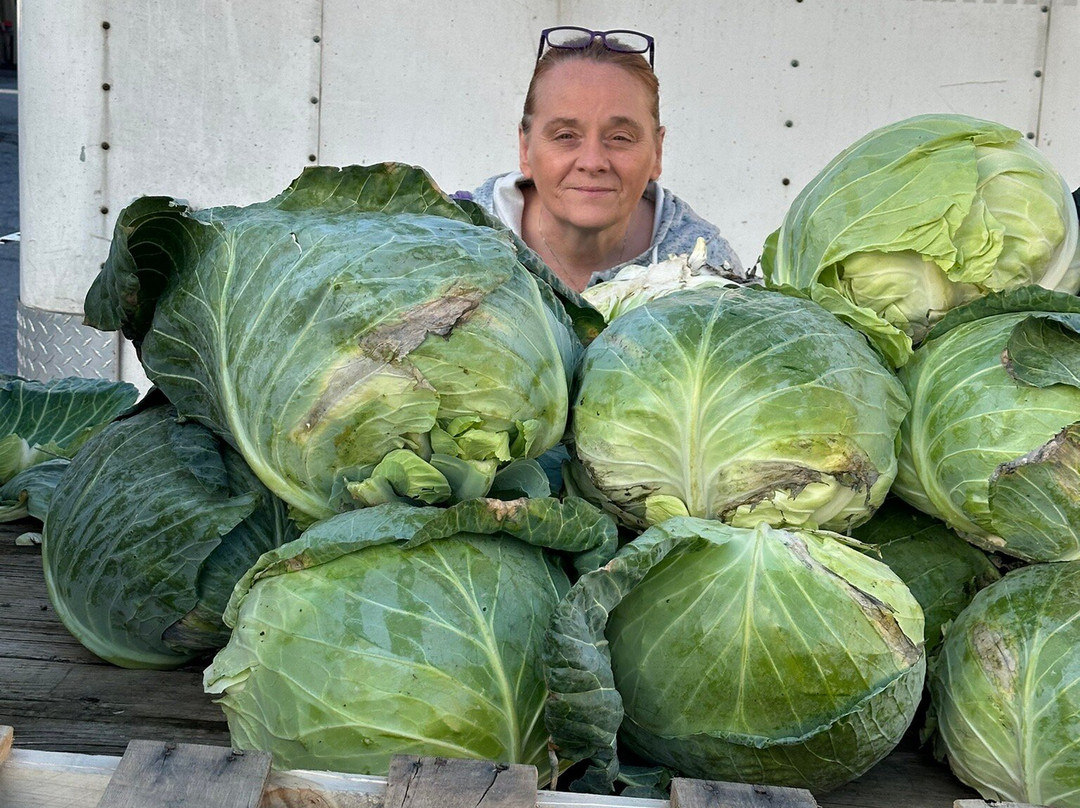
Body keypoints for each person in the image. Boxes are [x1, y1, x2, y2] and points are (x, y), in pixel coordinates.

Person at [468, 26, 744, 292]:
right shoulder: (461, 237)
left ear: (657, 152)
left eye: (620, 137)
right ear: (525, 148)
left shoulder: (707, 269)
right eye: (565, 136)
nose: (592, 162)